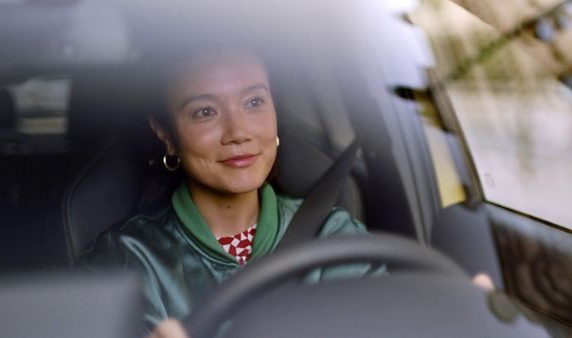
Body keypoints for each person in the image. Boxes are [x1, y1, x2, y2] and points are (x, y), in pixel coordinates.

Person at [77, 46, 383, 337]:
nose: (238, 132)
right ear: (165, 134)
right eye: (205, 111)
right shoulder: (125, 261)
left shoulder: (335, 238)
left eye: (253, 102)